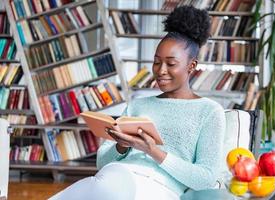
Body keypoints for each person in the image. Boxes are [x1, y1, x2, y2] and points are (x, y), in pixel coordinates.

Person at [49, 5, 225, 200]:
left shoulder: (209, 111)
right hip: (117, 175)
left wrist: (153, 151)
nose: (161, 70)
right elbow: (101, 163)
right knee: (103, 187)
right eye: (156, 62)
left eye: (171, 63)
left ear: (191, 66)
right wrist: (122, 146)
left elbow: (206, 178)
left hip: (159, 188)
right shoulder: (138, 105)